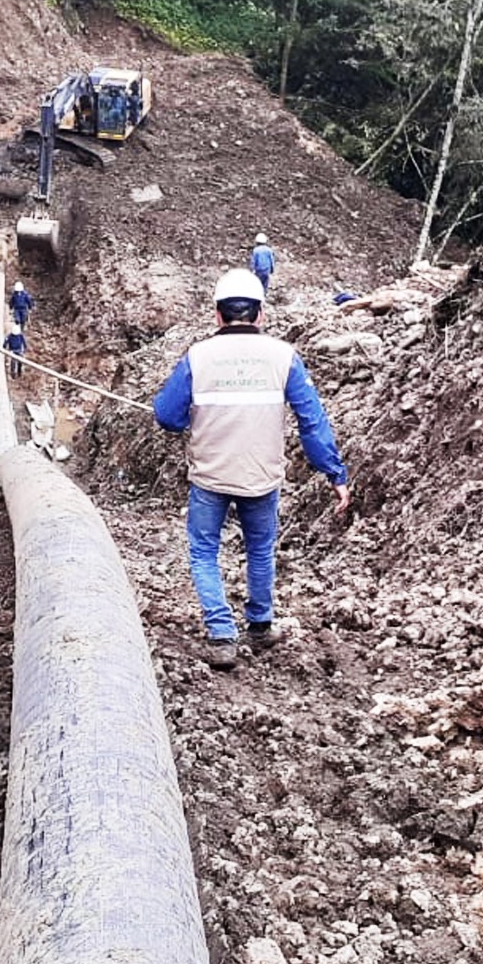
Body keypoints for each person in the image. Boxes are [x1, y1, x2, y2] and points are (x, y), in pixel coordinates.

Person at [152, 268, 350, 670]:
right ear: (260, 313)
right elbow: (312, 421)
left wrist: (195, 414)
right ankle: (259, 626)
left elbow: (167, 416)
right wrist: (335, 474)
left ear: (217, 314)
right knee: (260, 549)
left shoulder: (197, 357)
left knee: (204, 552)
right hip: (261, 477)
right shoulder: (284, 357)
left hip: (210, 476)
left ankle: (221, 634)